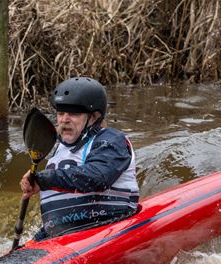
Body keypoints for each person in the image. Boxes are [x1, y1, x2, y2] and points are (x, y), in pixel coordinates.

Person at [20, 76, 139, 240]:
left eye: (74, 114)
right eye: (61, 113)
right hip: (61, 237)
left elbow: (97, 177)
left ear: (94, 117)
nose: (64, 119)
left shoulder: (111, 140)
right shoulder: (56, 149)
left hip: (108, 227)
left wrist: (45, 179)